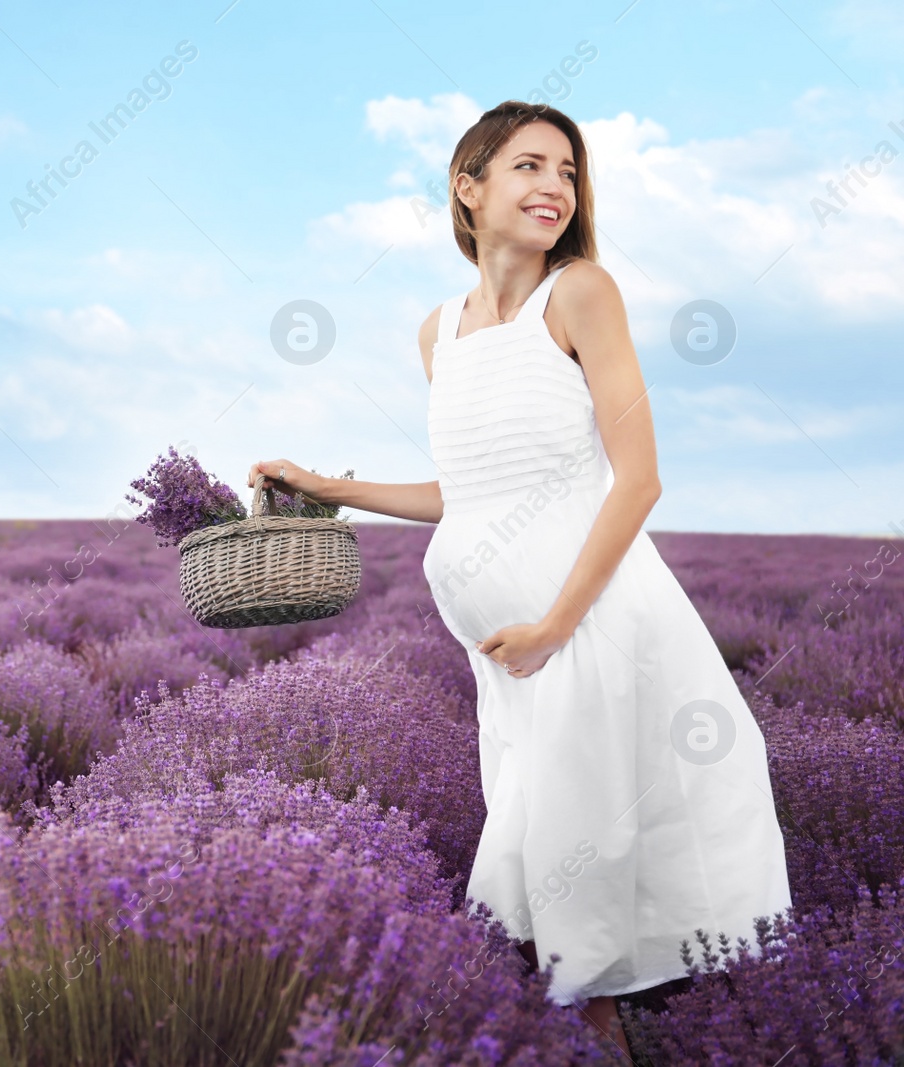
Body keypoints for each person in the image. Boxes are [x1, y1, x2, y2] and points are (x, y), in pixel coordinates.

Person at [249, 99, 792, 1055]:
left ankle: (603, 1034)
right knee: (547, 842)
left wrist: (554, 624)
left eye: (569, 173)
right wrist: (326, 484)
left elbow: (640, 477)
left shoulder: (580, 292)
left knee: (577, 854)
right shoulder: (438, 333)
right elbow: (472, 491)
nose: (555, 188)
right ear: (469, 186)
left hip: (587, 619)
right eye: (531, 167)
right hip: (503, 646)